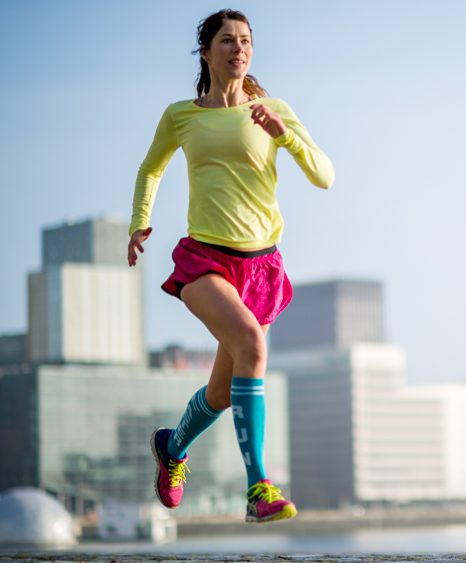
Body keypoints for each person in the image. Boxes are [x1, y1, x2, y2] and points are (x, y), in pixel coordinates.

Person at [127, 9, 333, 523]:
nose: (238, 48)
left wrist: (285, 134)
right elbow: (151, 167)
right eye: (227, 40)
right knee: (251, 344)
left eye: (246, 41)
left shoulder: (274, 110)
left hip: (261, 267)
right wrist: (139, 222)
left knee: (222, 391)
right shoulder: (182, 115)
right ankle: (259, 488)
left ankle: (172, 447)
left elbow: (324, 175)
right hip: (205, 260)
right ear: (206, 52)